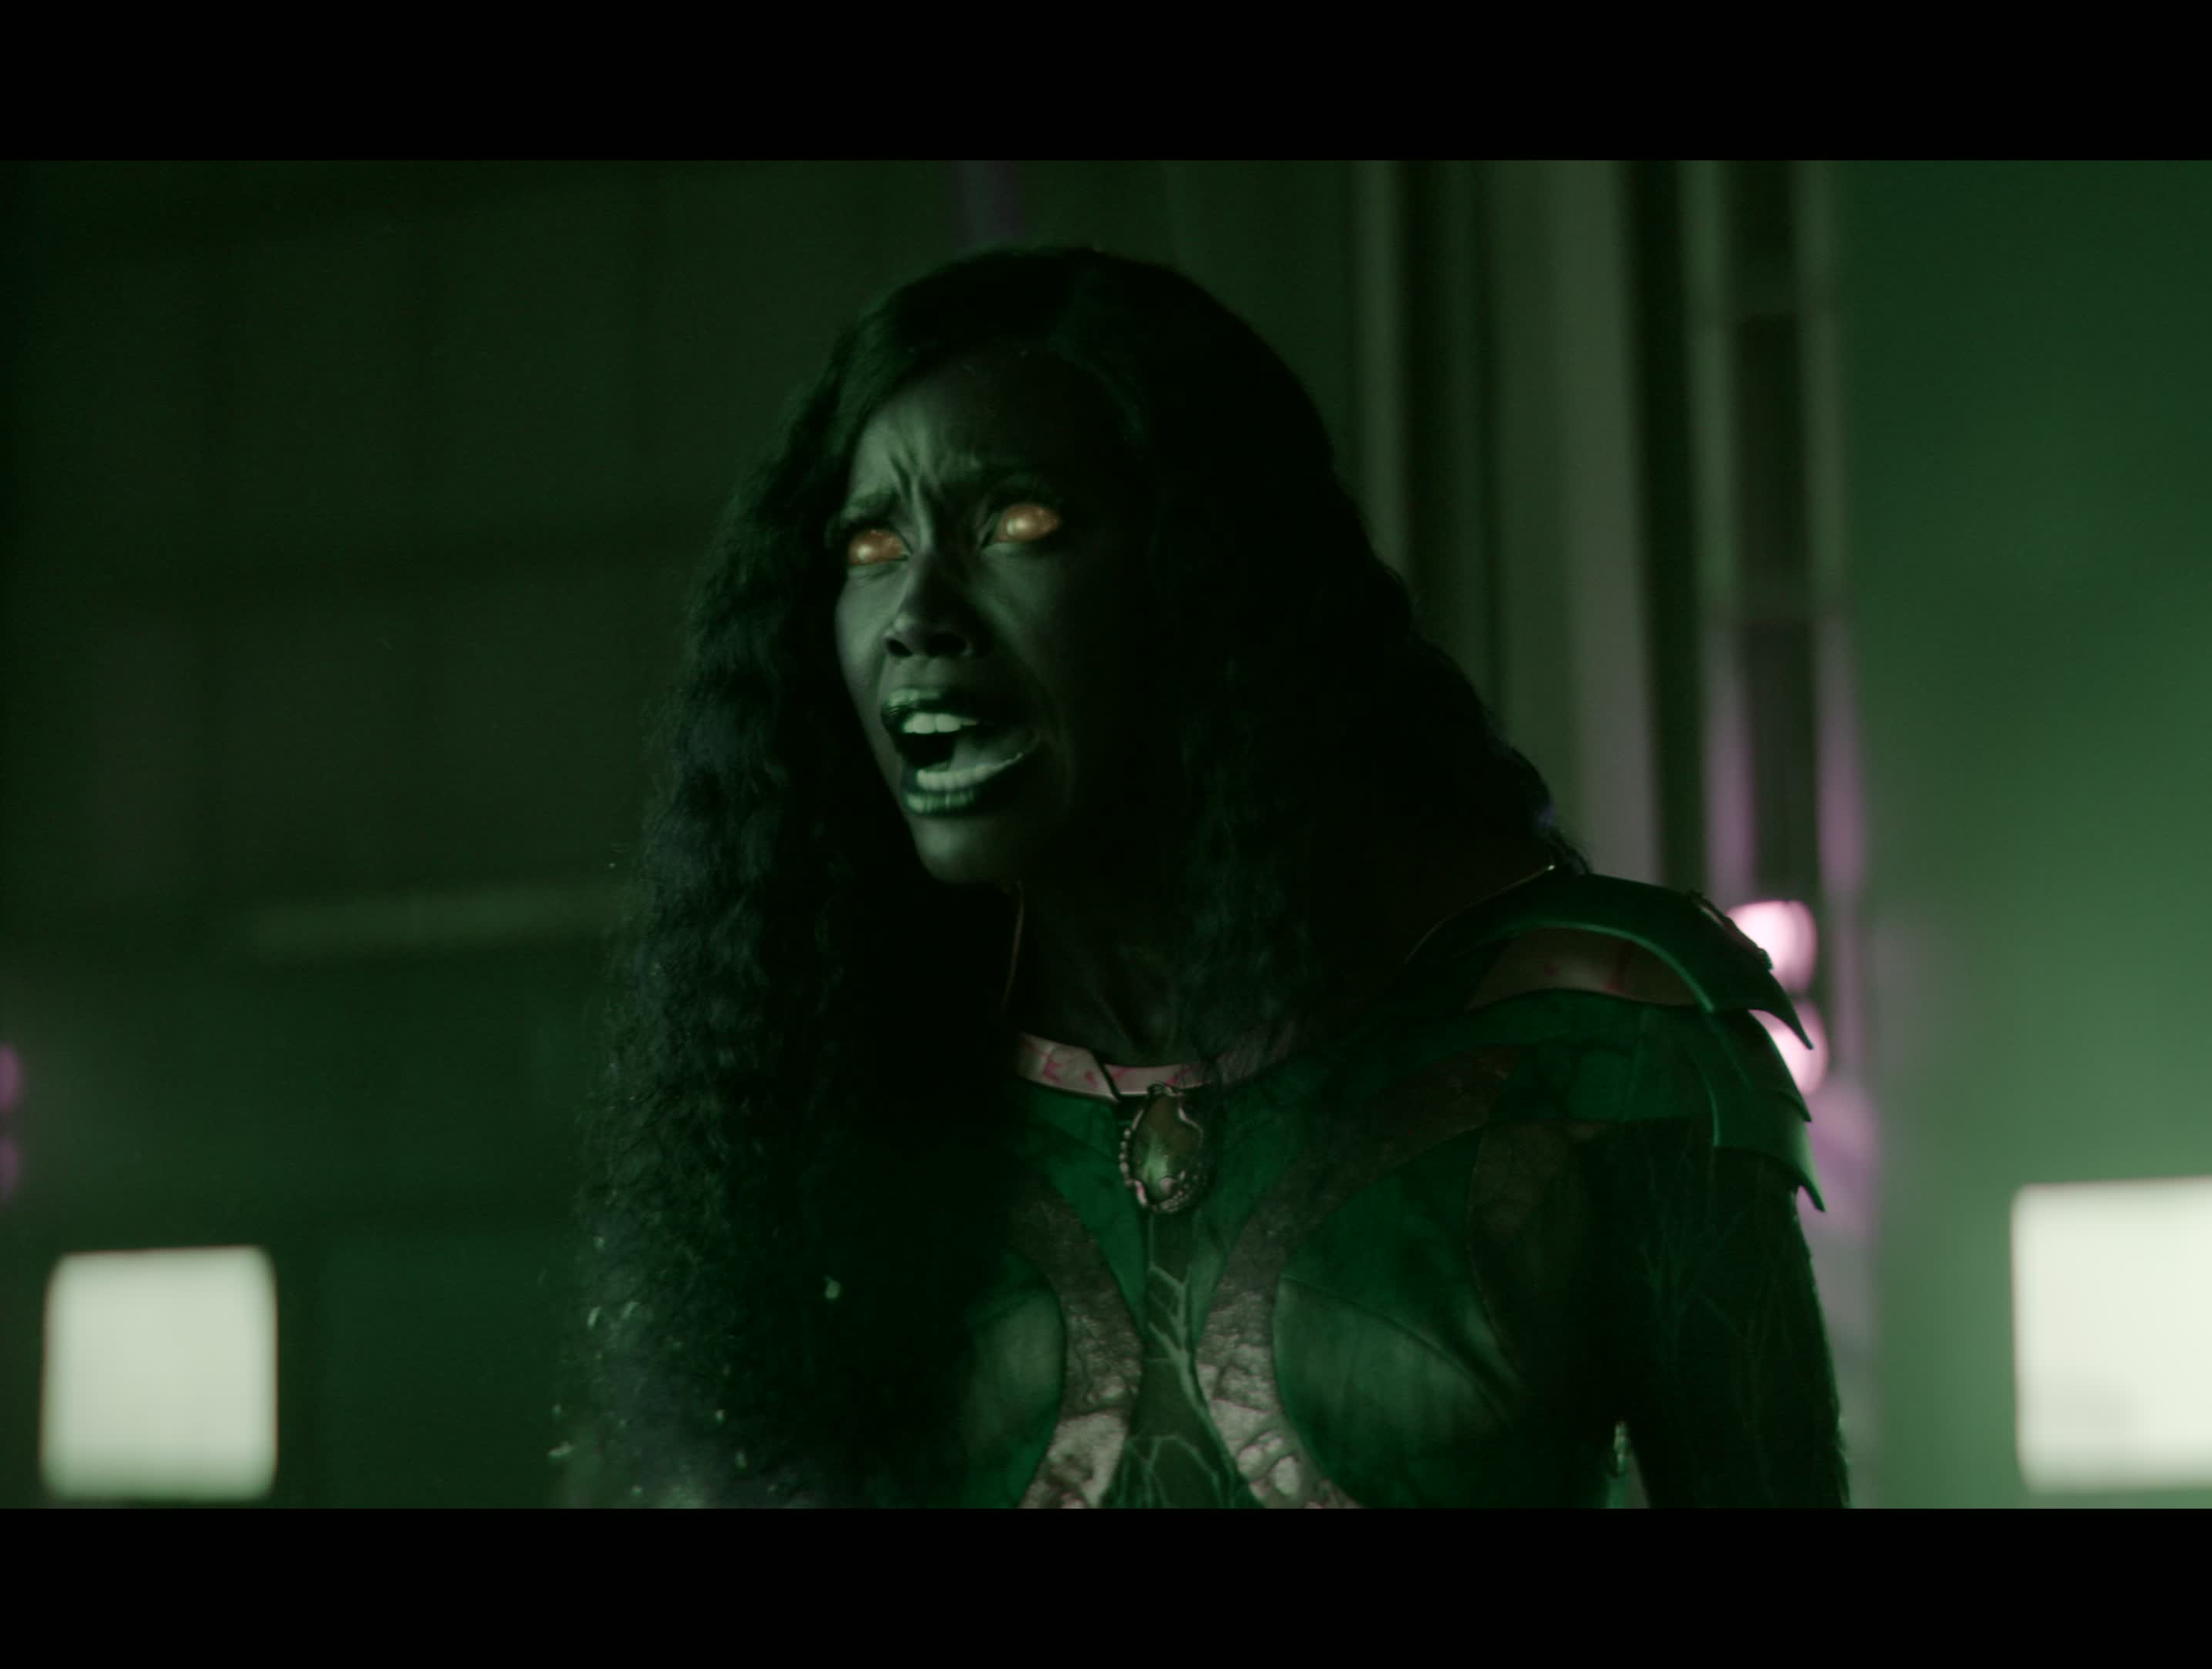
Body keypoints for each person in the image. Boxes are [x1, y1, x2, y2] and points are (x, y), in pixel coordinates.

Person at [566, 246, 1847, 1508]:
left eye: (1018, 524)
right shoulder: (837, 1114)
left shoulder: (1606, 1037)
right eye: (869, 546)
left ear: (1205, 573)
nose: (917, 615)